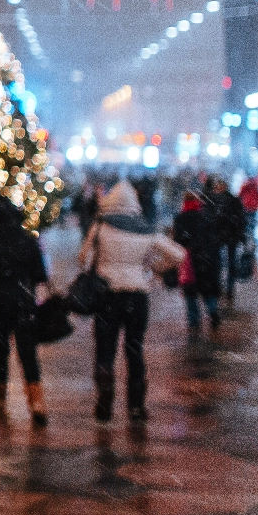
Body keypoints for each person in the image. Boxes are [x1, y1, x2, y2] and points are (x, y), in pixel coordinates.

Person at [80, 180, 187, 422]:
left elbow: (84, 259)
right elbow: (179, 255)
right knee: (134, 350)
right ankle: (136, 406)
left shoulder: (100, 226)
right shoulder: (146, 229)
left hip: (107, 294)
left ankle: (105, 402)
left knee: (105, 350)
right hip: (137, 295)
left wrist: (99, 268)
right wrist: (154, 267)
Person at [0, 194, 50, 428]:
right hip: (23, 302)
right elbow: (41, 275)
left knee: (0, 349)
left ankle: (0, 399)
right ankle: (37, 403)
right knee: (28, 353)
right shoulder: (28, 240)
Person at [171, 192, 225, 331]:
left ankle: (194, 321)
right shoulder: (206, 217)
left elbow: (178, 240)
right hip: (206, 259)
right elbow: (214, 239)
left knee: (190, 291)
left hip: (188, 259)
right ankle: (213, 312)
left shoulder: (180, 218)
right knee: (207, 289)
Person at [204, 175, 250, 302]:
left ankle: (221, 288)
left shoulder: (212, 200)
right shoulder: (233, 200)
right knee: (229, 264)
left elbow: (207, 219)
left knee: (219, 263)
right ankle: (228, 289)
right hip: (230, 236)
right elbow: (241, 219)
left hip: (220, 236)